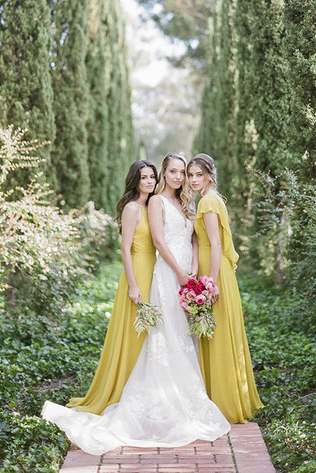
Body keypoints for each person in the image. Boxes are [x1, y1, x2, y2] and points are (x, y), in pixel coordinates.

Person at [41, 153, 229, 454]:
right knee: (166, 336)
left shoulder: (187, 203)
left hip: (186, 274)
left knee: (184, 336)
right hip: (168, 275)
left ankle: (183, 395)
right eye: (173, 172)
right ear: (165, 173)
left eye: (183, 172)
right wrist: (179, 273)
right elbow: (157, 242)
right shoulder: (154, 203)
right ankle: (160, 402)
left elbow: (194, 238)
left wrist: (193, 268)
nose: (179, 177)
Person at [65, 160, 158, 415]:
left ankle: (146, 390)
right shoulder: (132, 208)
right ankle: (122, 389)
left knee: (150, 334)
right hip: (137, 271)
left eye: (152, 177)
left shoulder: (152, 206)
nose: (149, 181)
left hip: (154, 271)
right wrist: (132, 285)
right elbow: (125, 249)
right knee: (132, 334)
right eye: (144, 177)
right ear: (135, 181)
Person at [187, 152, 262, 424]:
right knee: (217, 332)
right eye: (190, 175)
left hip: (214, 270)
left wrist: (211, 281)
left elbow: (215, 243)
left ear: (209, 175)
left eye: (199, 174)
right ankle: (223, 398)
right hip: (217, 270)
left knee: (215, 334)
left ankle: (221, 403)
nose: (194, 179)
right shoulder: (215, 198)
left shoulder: (207, 202)